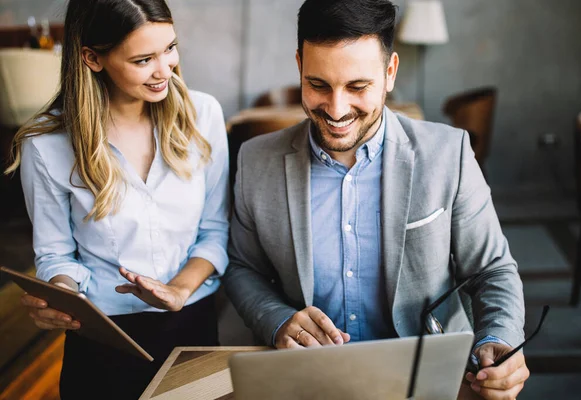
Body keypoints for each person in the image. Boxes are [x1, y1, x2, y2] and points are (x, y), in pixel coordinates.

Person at [223, 0, 529, 399]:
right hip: (309, 380)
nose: (336, 109)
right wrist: (277, 319)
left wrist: (498, 337)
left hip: (432, 379)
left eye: (357, 87)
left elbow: (492, 269)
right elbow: (242, 267)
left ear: (390, 73)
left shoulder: (448, 153)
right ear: (299, 65)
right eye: (318, 85)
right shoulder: (254, 159)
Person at [5, 0, 229, 398]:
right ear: (92, 58)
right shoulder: (45, 144)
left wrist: (177, 291)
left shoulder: (204, 115)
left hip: (192, 321)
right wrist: (60, 295)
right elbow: (56, 255)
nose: (166, 70)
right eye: (144, 59)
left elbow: (215, 230)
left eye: (170, 49)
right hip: (104, 336)